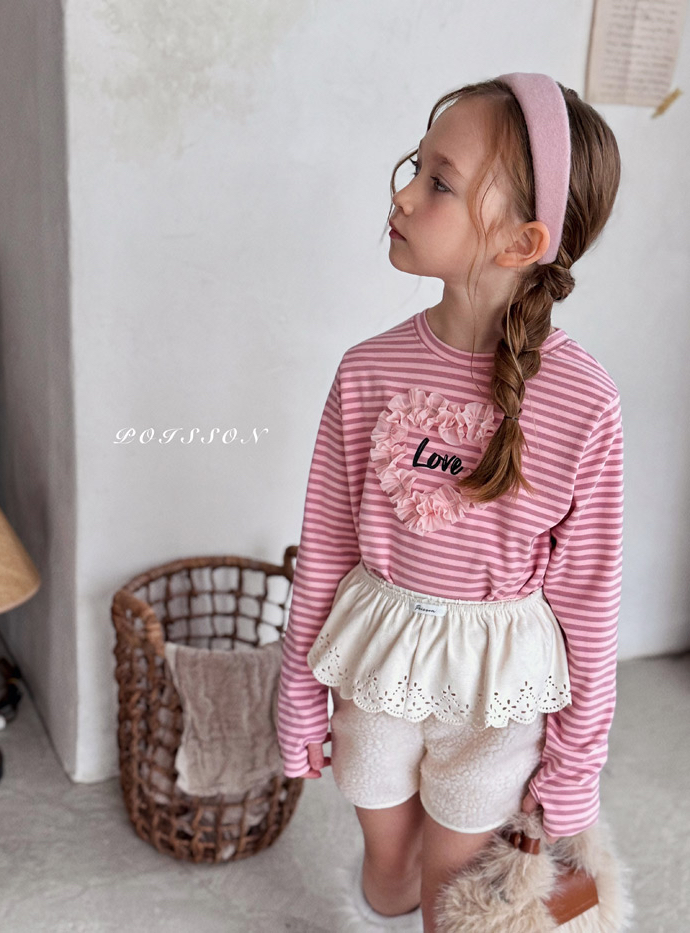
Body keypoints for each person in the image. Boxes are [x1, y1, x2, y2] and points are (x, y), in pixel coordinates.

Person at [275, 72, 624, 933]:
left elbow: (590, 597)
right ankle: (387, 889)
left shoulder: (584, 403)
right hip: (376, 660)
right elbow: (324, 544)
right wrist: (297, 691)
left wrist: (575, 766)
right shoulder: (366, 370)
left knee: (450, 902)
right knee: (387, 871)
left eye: (439, 181)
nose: (402, 193)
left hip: (494, 692)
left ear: (520, 240)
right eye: (414, 167)